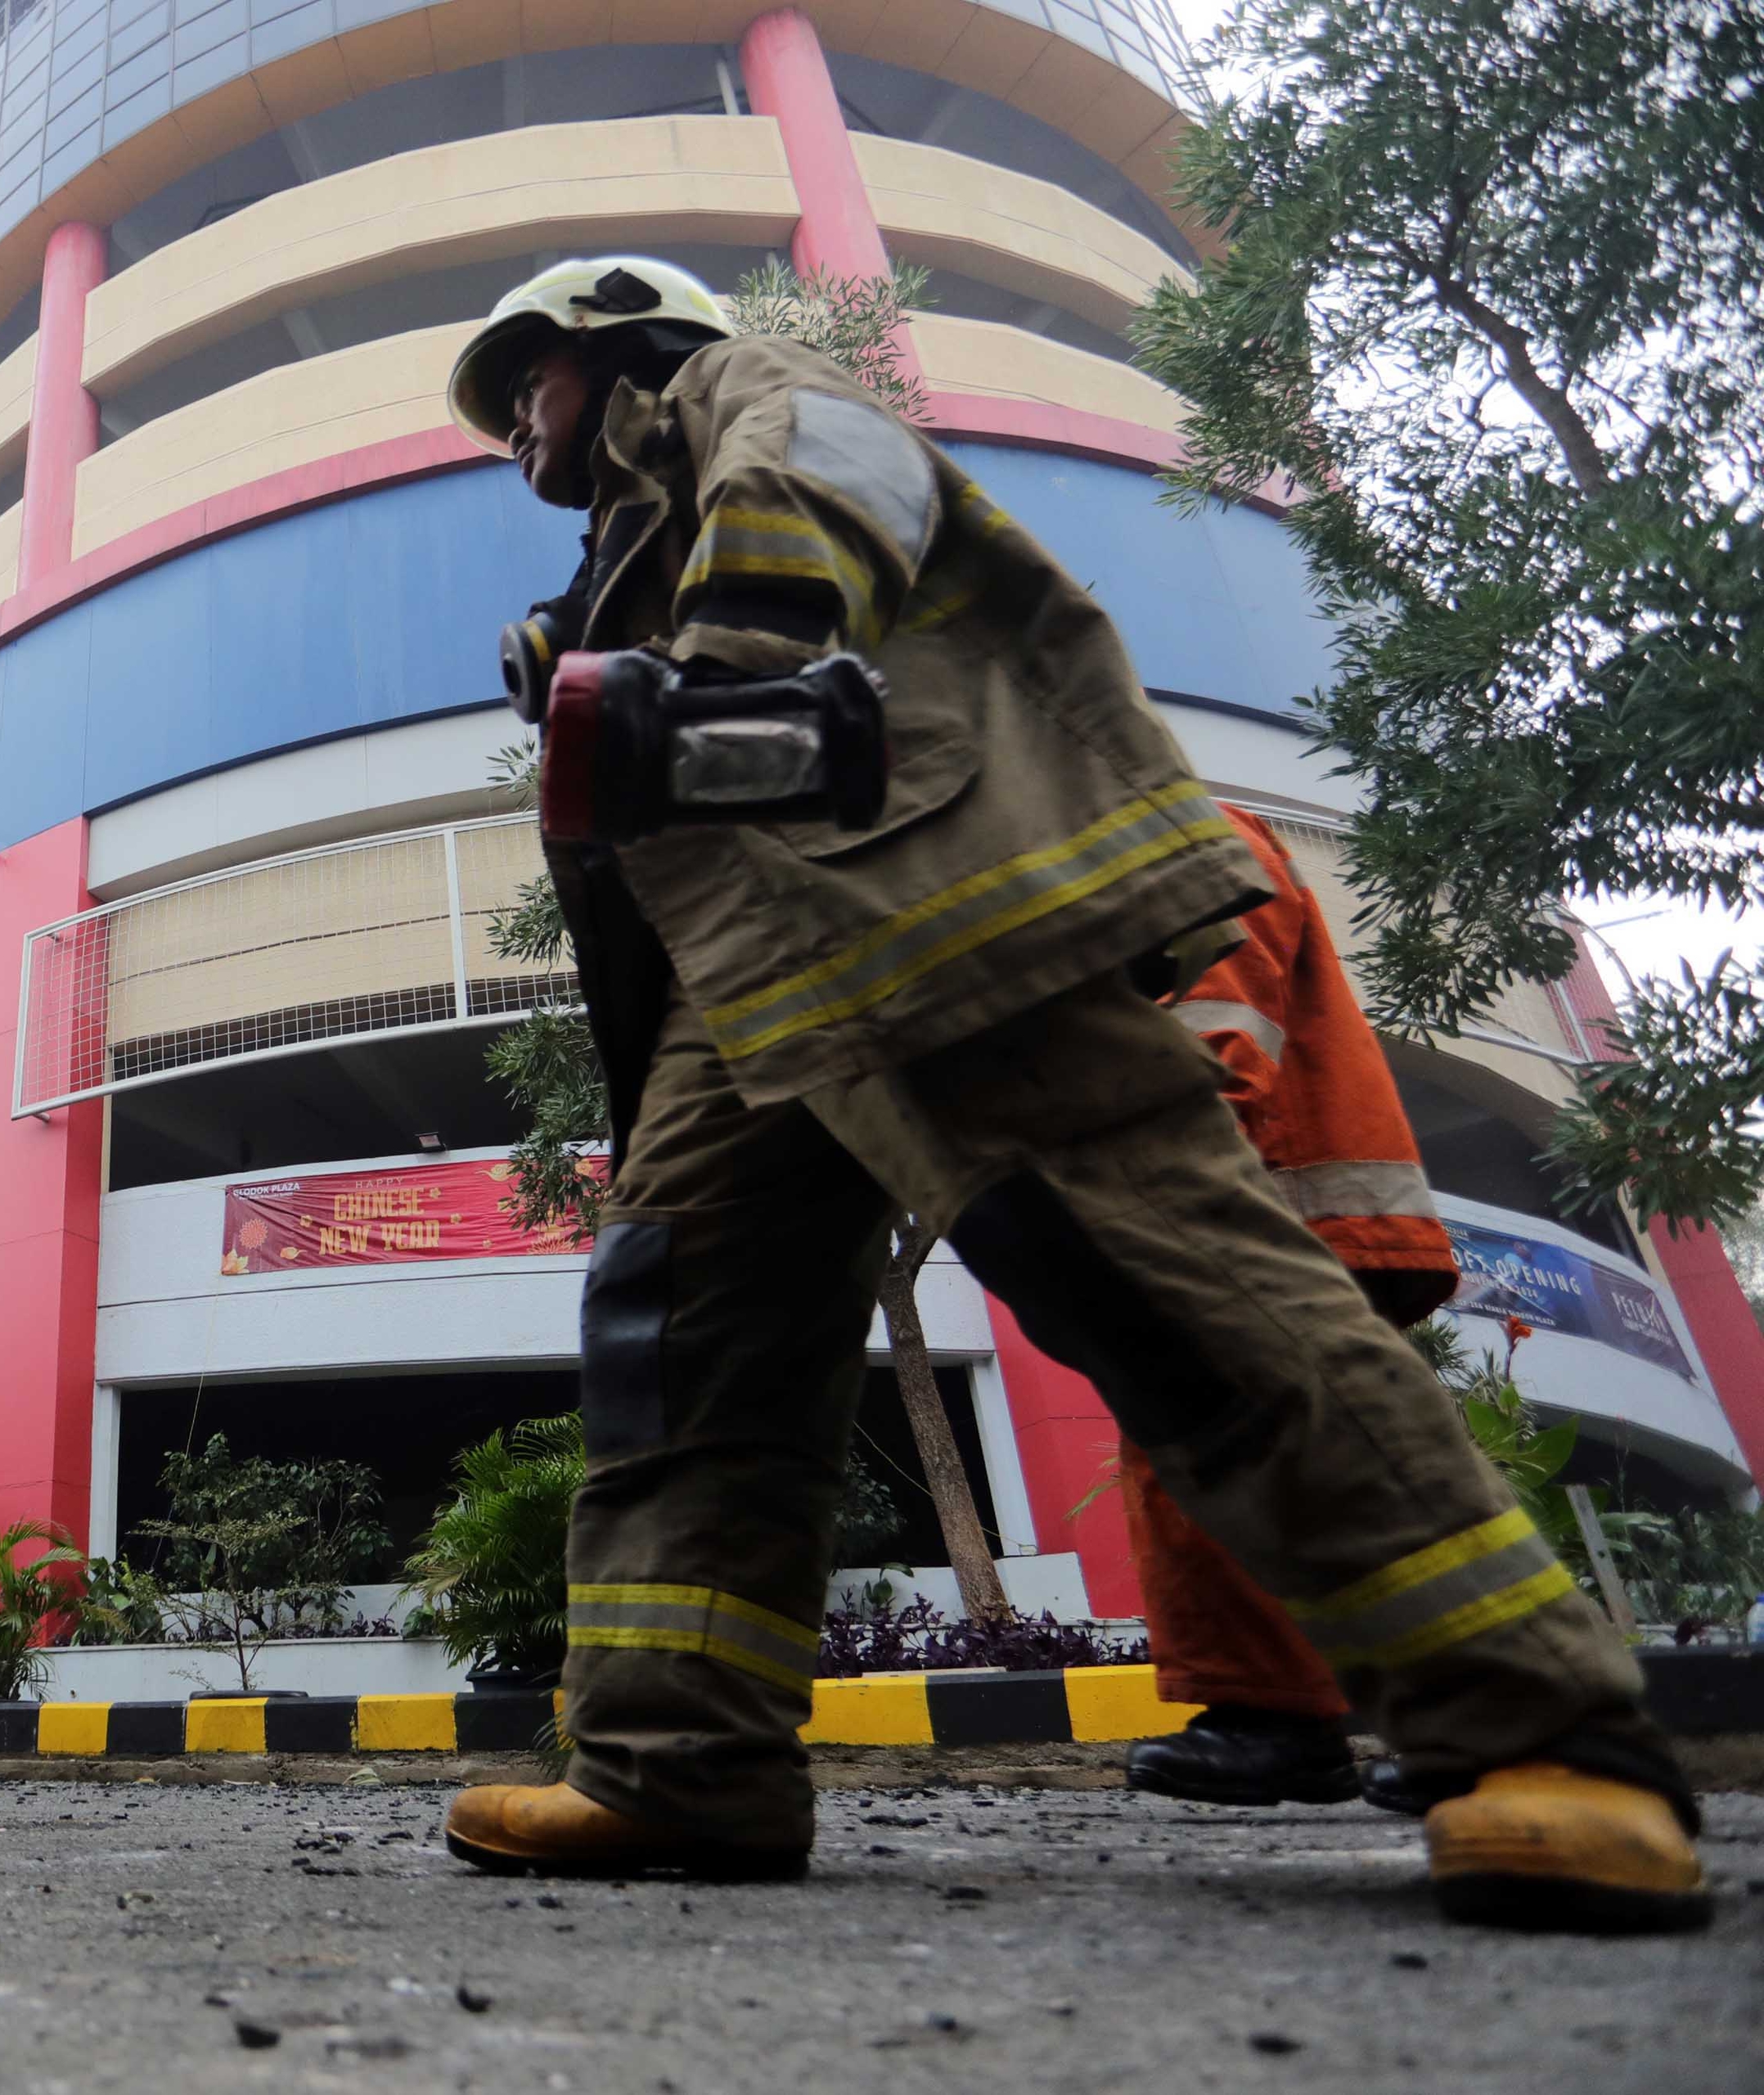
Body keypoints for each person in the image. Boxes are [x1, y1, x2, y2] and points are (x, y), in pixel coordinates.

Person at [433, 256, 1707, 1931]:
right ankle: (677, 1764)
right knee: (682, 1358)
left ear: (618, 341)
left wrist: (732, 658)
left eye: (526, 379)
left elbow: (825, 492)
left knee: (1172, 1289)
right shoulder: (623, 548)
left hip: (918, 914)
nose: (513, 423)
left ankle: (1544, 1732)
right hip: (733, 1004)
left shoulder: (751, 396)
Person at [1117, 804, 1456, 1810]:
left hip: (1273, 1211)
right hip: (1261, 1210)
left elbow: (1218, 1033)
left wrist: (1152, 1185)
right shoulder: (1134, 830)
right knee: (1230, 1467)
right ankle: (1283, 1717)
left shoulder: (1175, 828)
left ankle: (1489, 1714)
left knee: (1318, 1470)